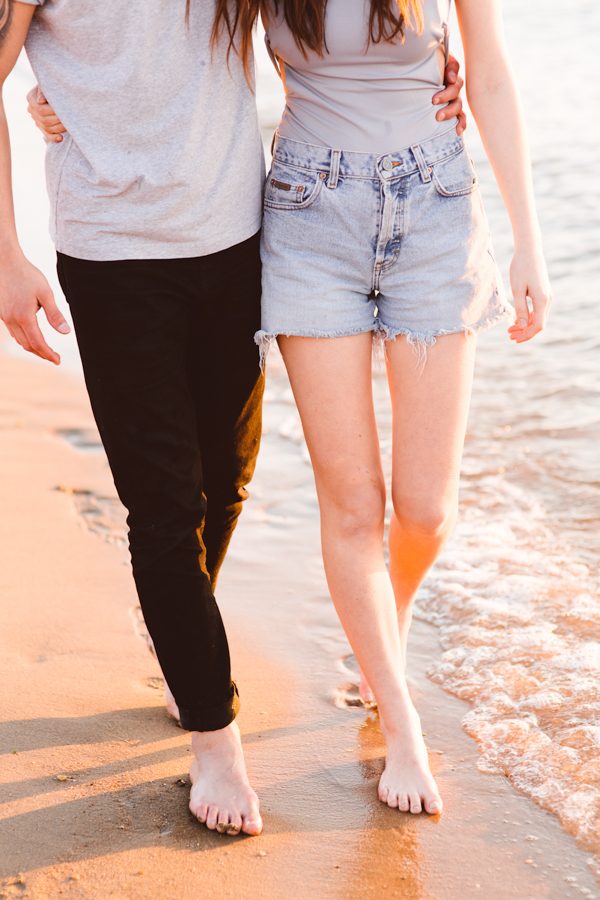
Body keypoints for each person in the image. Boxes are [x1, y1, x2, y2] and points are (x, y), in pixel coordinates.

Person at [2, 1, 465, 834]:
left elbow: (317, 36)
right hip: (111, 250)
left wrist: (433, 71)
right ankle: (214, 736)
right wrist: (7, 254)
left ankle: (180, 628)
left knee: (227, 480)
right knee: (165, 506)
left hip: (240, 233)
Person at [250, 0, 550, 816]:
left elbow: (486, 68)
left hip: (435, 208)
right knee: (354, 508)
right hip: (310, 217)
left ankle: (394, 614)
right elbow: (185, 52)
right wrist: (64, 97)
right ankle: (400, 716)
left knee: (426, 509)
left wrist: (528, 239)